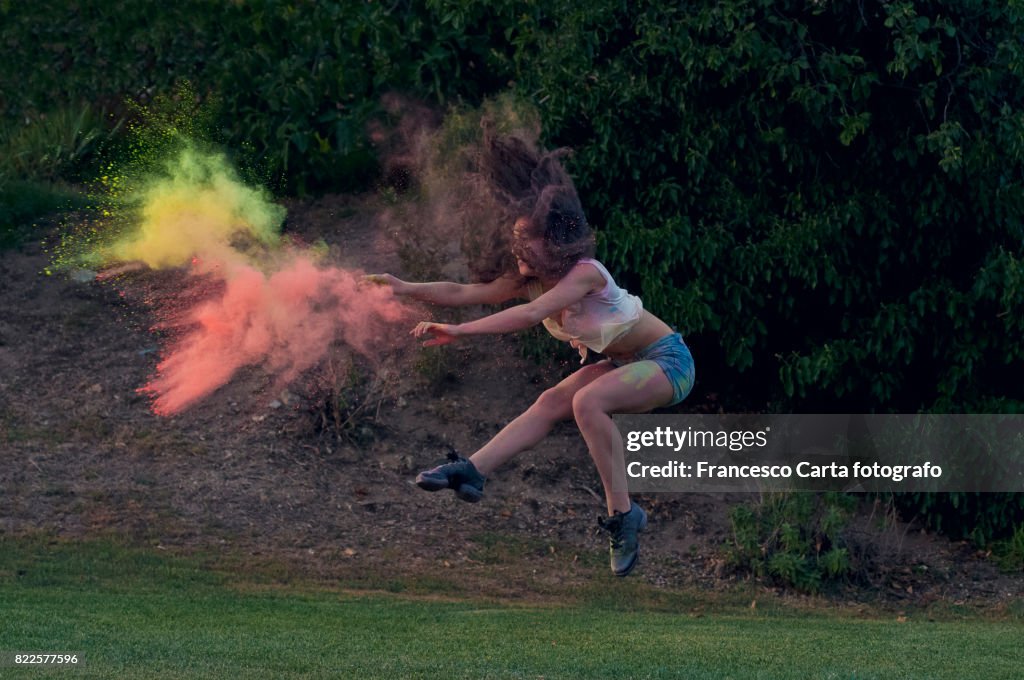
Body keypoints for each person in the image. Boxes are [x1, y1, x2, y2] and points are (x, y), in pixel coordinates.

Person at [363, 133, 695, 577]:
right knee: (551, 403)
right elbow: (464, 291)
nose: (517, 245)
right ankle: (471, 471)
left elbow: (533, 314)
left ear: (554, 239)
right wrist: (403, 286)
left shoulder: (585, 274)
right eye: (515, 235)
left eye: (526, 238)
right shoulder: (528, 278)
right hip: (627, 364)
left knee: (586, 402)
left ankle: (624, 515)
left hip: (669, 363)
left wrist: (461, 332)